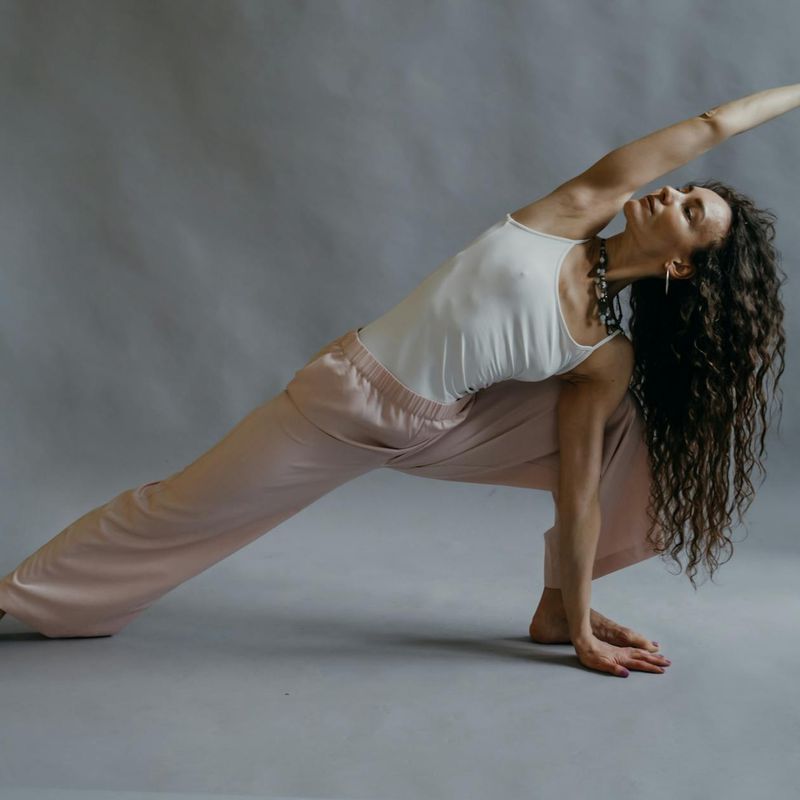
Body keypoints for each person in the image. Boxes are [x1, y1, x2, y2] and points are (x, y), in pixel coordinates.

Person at [0, 83, 793, 679]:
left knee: (622, 435)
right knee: (181, 507)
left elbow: (576, 493)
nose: (672, 193)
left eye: (691, 210)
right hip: (344, 399)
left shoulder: (604, 356)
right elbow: (711, 125)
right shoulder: (573, 210)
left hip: (435, 426)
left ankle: (559, 608)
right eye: (688, 188)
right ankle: (24, 598)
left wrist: (581, 627)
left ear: (682, 265)